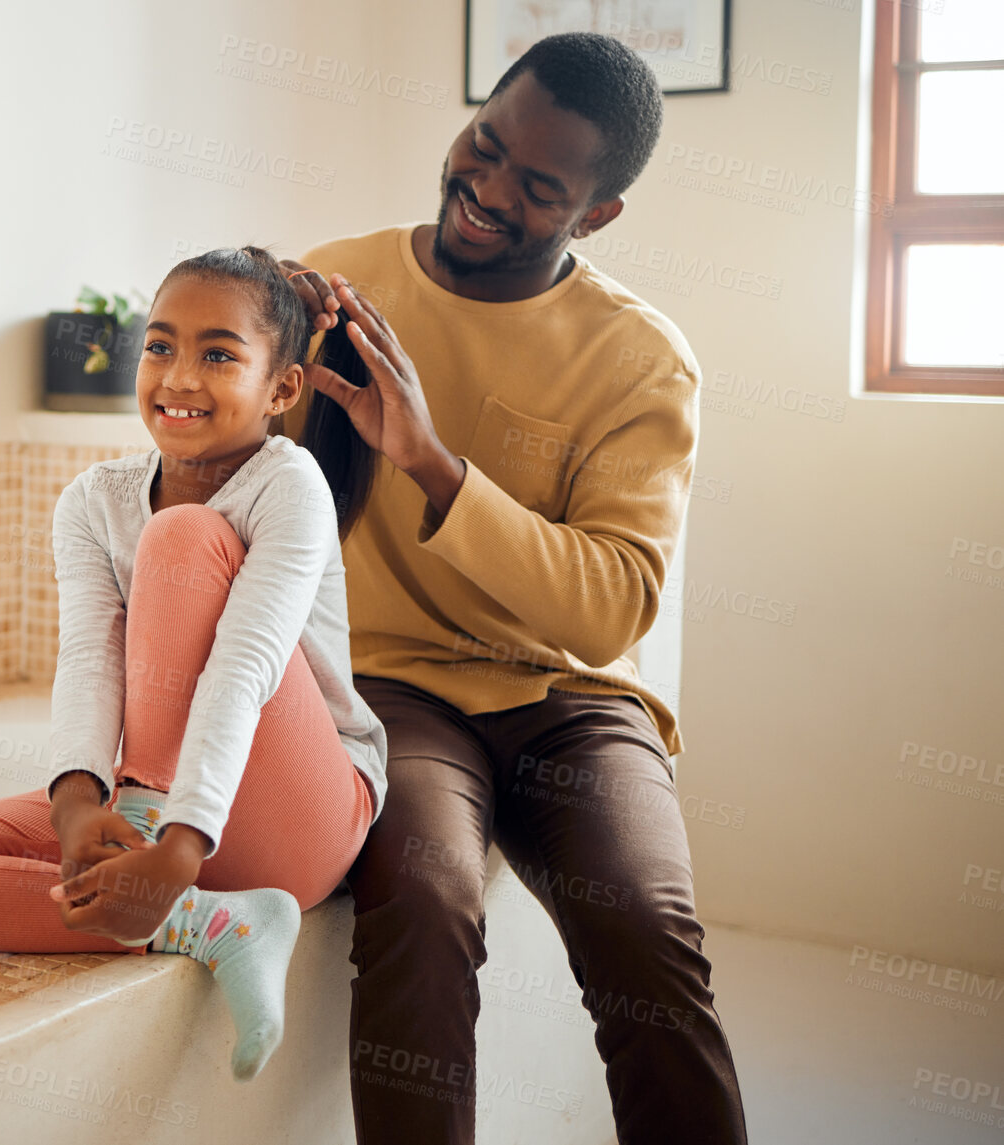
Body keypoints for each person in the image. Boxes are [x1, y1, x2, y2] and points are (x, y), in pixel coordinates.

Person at [275, 31, 749, 1145]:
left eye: (536, 188)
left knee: (647, 926)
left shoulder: (639, 359)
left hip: (569, 700)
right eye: (482, 146)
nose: (484, 191)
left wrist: (434, 463)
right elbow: (239, 492)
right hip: (389, 684)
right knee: (424, 899)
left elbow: (609, 604)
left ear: (595, 214)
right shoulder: (341, 284)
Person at [0, 245, 389, 1082]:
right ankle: (208, 921)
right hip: (158, 807)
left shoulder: (288, 485)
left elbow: (243, 669)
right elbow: (87, 661)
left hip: (294, 815)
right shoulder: (93, 499)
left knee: (179, 538)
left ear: (281, 389)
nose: (177, 376)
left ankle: (169, 864)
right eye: (159, 345)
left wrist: (176, 843)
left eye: (218, 354)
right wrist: (76, 804)